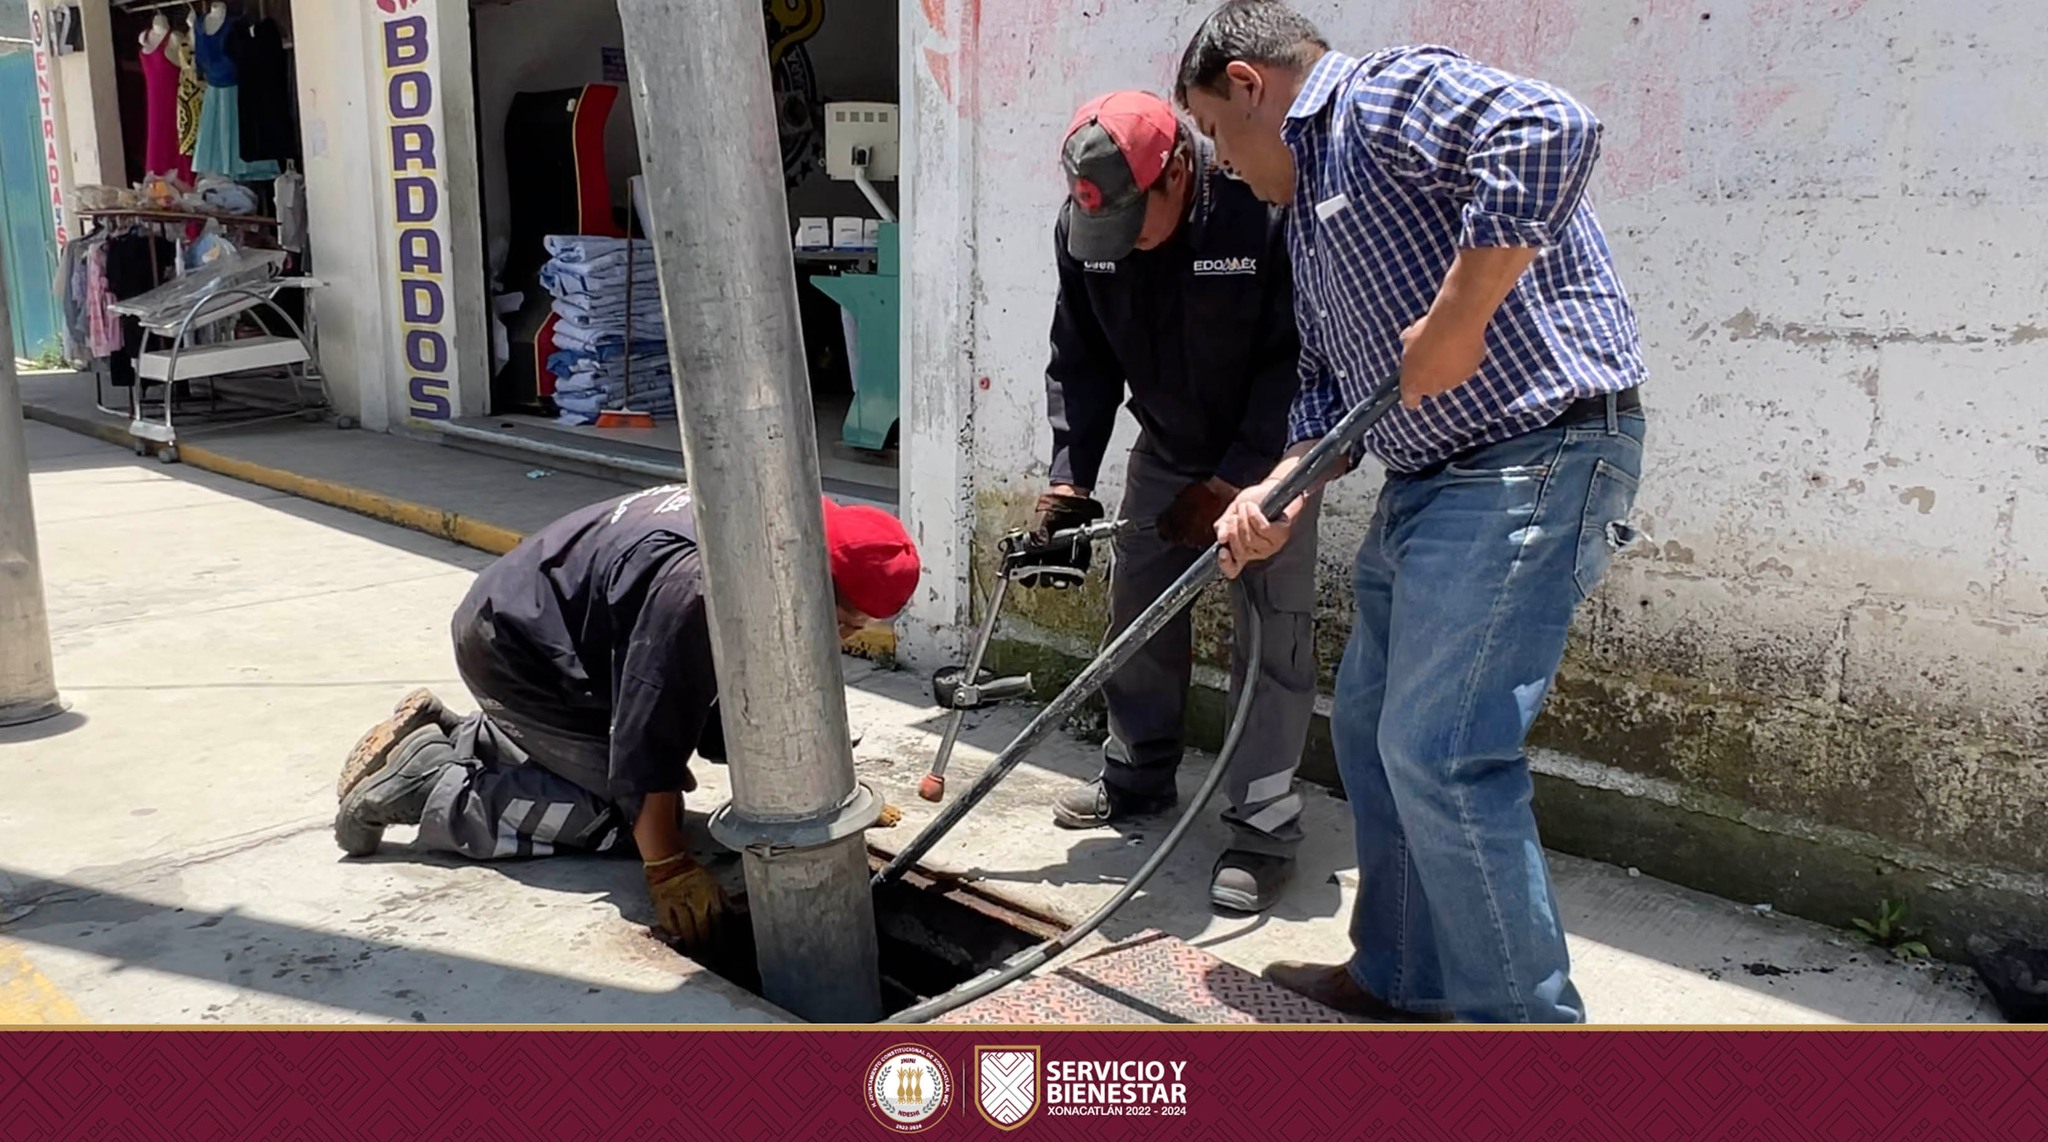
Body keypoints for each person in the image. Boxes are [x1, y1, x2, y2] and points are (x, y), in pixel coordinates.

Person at [1176, 1, 1648, 1022]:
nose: (1218, 161)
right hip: (1428, 479)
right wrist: (1279, 486)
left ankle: (1522, 1044)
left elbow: (1551, 129)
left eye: (1213, 130)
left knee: (1442, 750)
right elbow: (1322, 394)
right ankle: (1401, 973)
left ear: (1249, 86)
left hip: (1530, 453)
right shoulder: (1305, 221)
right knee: (1371, 731)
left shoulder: (1375, 98)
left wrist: (1457, 314)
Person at [333, 487, 920, 952]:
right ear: (811, 581)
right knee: (617, 820)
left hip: (557, 626)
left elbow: (747, 702)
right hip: (522, 654)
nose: (845, 637)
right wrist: (665, 863)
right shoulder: (698, 588)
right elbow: (647, 739)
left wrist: (825, 791)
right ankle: (434, 783)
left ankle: (469, 737)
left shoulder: (766, 524)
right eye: (843, 619)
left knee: (677, 751)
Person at [1012, 89, 1314, 913]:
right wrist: (1070, 477)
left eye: (1136, 220)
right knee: (1136, 611)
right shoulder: (1089, 235)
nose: (1124, 243)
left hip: (1267, 455)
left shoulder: (1259, 211)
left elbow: (1296, 360)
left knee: (1270, 636)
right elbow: (1079, 359)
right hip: (1166, 446)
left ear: (1180, 169)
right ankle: (1138, 773)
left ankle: (1261, 825)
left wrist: (1240, 481)